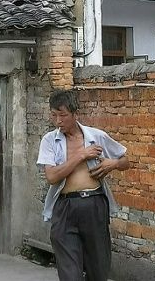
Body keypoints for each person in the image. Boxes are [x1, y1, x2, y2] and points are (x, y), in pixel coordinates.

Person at [37, 90, 129, 281]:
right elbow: (52, 177)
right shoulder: (49, 140)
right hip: (65, 207)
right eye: (54, 115)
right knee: (69, 273)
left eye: (63, 115)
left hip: (94, 204)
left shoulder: (97, 136)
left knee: (98, 268)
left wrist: (112, 164)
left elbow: (125, 161)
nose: (58, 121)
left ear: (75, 114)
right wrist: (81, 155)